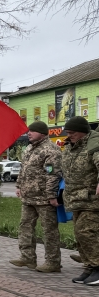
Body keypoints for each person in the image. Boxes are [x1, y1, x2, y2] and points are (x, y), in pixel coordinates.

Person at [12, 121, 63, 272]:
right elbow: (23, 169)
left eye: (32, 131)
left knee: (49, 231)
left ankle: (53, 262)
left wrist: (51, 195)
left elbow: (52, 174)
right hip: (28, 197)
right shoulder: (29, 148)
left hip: (44, 199)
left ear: (42, 133)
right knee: (25, 226)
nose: (29, 133)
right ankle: (27, 257)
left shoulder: (51, 150)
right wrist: (19, 186)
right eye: (29, 131)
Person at [61, 116, 99, 285]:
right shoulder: (70, 147)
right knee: (79, 234)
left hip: (91, 199)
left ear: (83, 132)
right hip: (76, 198)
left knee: (85, 232)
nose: (69, 135)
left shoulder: (93, 146)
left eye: (72, 133)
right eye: (68, 132)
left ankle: (98, 268)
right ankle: (90, 267)